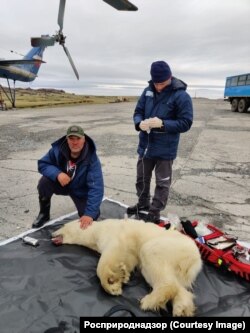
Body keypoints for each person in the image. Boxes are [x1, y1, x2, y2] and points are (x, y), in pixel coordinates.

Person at [127, 60, 193, 223]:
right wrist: (139, 123)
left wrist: (163, 124)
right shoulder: (147, 91)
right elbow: (138, 111)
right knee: (141, 178)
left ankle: (155, 211)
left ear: (170, 77)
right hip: (146, 146)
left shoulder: (181, 95)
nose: (159, 87)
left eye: (162, 83)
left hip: (165, 149)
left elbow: (186, 122)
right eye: (156, 83)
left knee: (162, 183)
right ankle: (142, 204)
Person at [32, 125, 104, 229]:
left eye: (78, 138)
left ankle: (88, 212)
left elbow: (96, 187)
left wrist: (89, 214)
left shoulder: (92, 159)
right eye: (71, 139)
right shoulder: (57, 150)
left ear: (84, 139)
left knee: (92, 217)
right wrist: (57, 174)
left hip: (80, 190)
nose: (75, 142)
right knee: (44, 182)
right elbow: (42, 164)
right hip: (63, 184)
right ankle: (44, 214)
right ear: (67, 140)